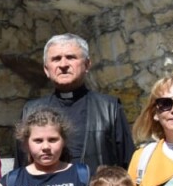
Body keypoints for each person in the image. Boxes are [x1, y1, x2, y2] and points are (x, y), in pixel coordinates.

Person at [16, 34, 134, 171]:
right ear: (46, 69)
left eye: (71, 57)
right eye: (56, 59)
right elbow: (21, 167)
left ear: (87, 64)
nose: (63, 65)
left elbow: (128, 163)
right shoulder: (30, 111)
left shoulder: (109, 109)